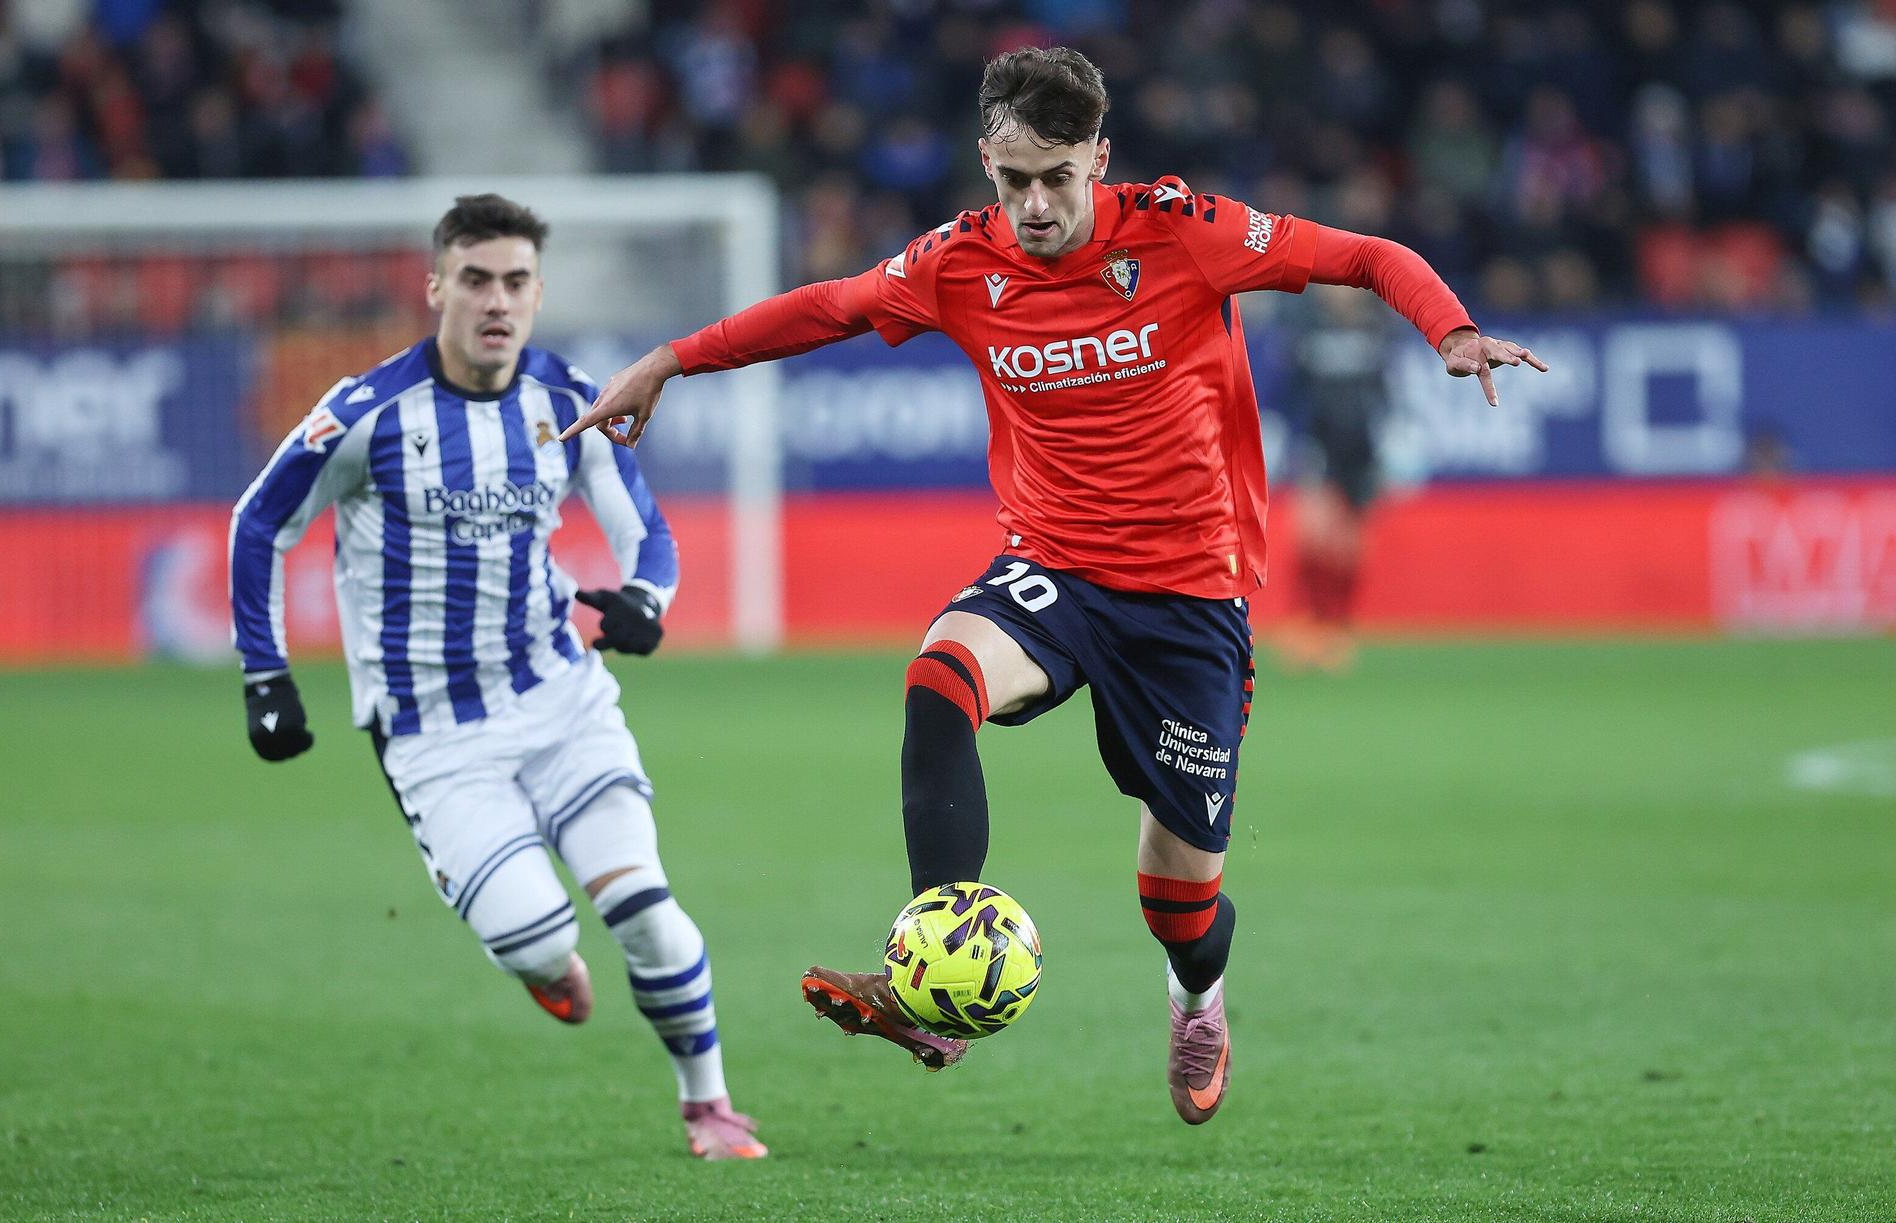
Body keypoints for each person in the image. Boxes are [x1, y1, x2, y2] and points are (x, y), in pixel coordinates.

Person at [562, 48, 1547, 1126]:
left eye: (1057, 179)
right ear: (986, 163)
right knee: (940, 676)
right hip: (1054, 565)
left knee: (1180, 904)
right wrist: (670, 359)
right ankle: (934, 980)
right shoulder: (957, 262)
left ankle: (1198, 997)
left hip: (1188, 596)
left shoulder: (1184, 230)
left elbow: (1364, 254)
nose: (1034, 205)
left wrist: (1449, 328)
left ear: (1099, 159)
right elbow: (827, 307)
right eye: (1014, 179)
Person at [227, 194, 765, 1160]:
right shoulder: (365, 412)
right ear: (436, 288)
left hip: (561, 699)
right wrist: (266, 677)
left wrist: (647, 600)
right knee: (538, 937)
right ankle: (542, 962)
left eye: (516, 281)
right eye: (475, 280)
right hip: (433, 733)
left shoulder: (570, 399)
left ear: (538, 293)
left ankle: (710, 1107)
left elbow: (646, 529)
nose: (497, 301)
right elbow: (257, 522)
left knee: (647, 912)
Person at [1274, 285, 1399, 673]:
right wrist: (1286, 436)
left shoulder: (1377, 328)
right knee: (1312, 536)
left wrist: (1394, 441)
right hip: (1318, 445)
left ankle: (1337, 626)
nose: (1339, 295)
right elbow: (1289, 392)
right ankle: (1305, 623)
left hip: (1361, 450)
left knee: (1350, 547)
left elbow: (1385, 393)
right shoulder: (1306, 328)